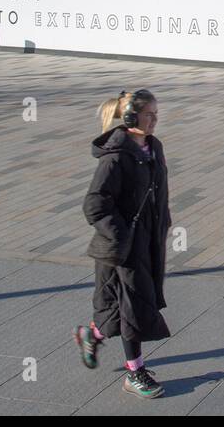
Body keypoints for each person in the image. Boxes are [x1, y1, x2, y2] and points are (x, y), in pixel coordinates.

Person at [74, 89, 172, 398]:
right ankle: (135, 373)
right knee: (134, 307)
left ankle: (90, 334)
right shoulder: (116, 158)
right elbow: (94, 204)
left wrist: (162, 225)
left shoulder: (153, 147)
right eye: (149, 115)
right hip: (120, 249)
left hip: (146, 241)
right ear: (130, 118)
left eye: (157, 114)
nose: (154, 120)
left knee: (122, 308)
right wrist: (121, 236)